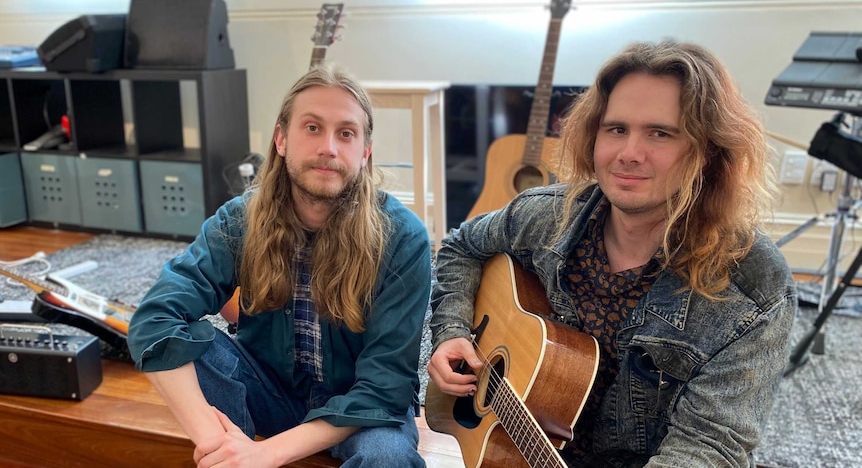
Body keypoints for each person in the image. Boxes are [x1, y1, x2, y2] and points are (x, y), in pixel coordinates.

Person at [428, 40, 797, 467]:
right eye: (616, 129)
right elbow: (461, 246)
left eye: (660, 133)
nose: (628, 154)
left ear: (708, 151)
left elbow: (709, 446)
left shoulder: (752, 288)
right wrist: (453, 330)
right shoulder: (544, 216)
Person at [128, 65, 431, 468]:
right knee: (193, 341)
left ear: (364, 153)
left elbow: (384, 387)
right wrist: (224, 450)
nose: (329, 147)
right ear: (281, 139)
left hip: (360, 411)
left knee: (386, 457)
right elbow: (154, 320)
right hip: (267, 388)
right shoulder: (239, 220)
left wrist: (264, 454)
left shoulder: (403, 236)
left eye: (346, 133)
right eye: (312, 127)